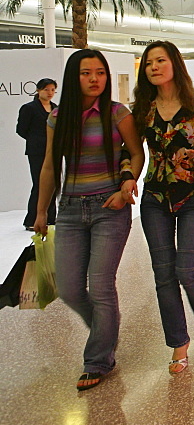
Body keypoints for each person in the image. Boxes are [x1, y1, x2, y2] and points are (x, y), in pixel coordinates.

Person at [34, 49, 144, 391]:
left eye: (100, 72)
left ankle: (98, 359)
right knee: (68, 289)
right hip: (69, 210)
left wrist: (129, 183)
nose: (95, 79)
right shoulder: (58, 118)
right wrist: (41, 211)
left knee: (99, 285)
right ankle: (105, 333)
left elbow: (137, 152)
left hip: (109, 208)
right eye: (86, 73)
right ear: (73, 77)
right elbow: (51, 165)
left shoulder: (117, 113)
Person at [131, 41, 194, 376]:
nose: (154, 67)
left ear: (174, 65)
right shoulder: (143, 108)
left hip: (193, 196)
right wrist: (127, 176)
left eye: (160, 60)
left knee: (187, 268)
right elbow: (134, 152)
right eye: (149, 63)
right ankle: (178, 345)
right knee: (163, 274)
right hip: (154, 198)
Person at [17, 78, 58, 230]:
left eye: (53, 90)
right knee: (39, 184)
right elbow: (21, 129)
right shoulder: (29, 108)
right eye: (46, 89)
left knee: (53, 183)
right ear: (38, 90)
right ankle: (32, 219)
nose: (50, 93)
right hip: (36, 151)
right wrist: (36, 140)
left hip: (53, 150)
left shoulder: (55, 108)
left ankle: (51, 218)